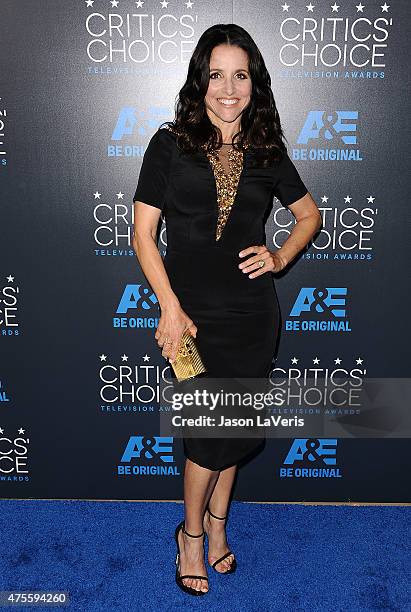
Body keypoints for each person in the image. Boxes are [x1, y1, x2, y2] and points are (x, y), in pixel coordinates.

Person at [132, 24, 322, 596]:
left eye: (240, 75)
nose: (228, 89)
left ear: (254, 83)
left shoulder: (267, 151)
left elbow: (309, 214)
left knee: (232, 431)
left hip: (251, 316)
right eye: (217, 75)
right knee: (206, 436)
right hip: (186, 319)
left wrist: (280, 256)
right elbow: (143, 234)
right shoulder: (169, 144)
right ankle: (190, 536)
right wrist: (168, 308)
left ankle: (217, 529)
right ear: (201, 81)